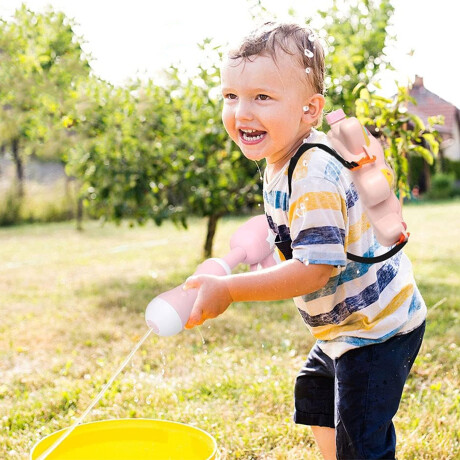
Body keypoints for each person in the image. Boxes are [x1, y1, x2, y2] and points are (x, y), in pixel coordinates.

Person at [183, 22, 426, 460]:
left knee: (362, 439)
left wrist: (231, 290)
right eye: (231, 96)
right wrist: (243, 253)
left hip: (377, 330)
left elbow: (316, 268)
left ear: (310, 110)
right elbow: (286, 226)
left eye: (262, 97)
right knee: (315, 394)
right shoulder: (281, 159)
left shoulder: (312, 172)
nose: (242, 112)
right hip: (344, 328)